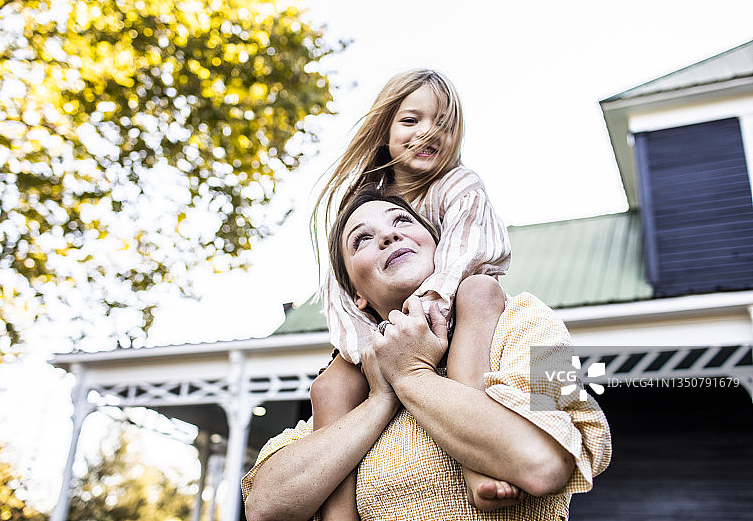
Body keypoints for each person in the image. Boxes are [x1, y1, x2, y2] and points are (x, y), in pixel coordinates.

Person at [243, 191, 611, 520]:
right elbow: (263, 507)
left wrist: (412, 376)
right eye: (362, 239)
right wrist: (380, 398)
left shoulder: (531, 321)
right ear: (357, 295)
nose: (388, 235)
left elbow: (545, 462)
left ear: (439, 246)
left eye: (401, 220)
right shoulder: (352, 390)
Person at [309, 69, 515, 516]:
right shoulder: (361, 203)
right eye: (411, 120)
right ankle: (339, 513)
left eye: (443, 122)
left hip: (454, 305)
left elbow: (468, 252)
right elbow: (340, 292)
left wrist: (427, 310)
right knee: (329, 386)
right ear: (384, 131)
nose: (428, 132)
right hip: (387, 328)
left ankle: (477, 461)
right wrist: (367, 348)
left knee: (480, 288)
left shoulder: (459, 186)